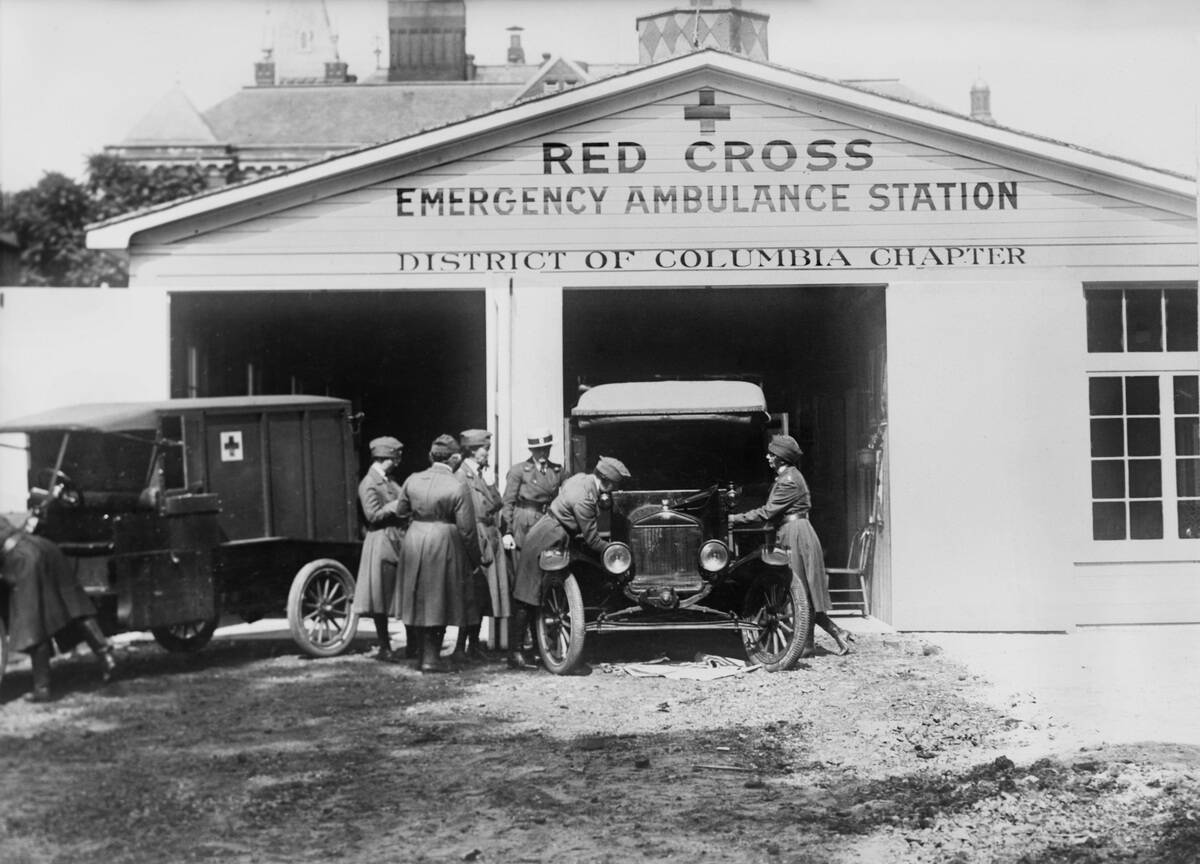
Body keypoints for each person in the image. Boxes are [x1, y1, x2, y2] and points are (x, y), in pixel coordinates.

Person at [727, 434, 853, 656]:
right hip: (793, 531)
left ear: (781, 458)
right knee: (803, 589)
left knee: (799, 590)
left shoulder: (788, 480)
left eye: (771, 454)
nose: (767, 457)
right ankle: (821, 638)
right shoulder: (788, 476)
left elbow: (767, 512)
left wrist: (734, 519)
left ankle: (822, 637)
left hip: (796, 534)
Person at [507, 455, 630, 670]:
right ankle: (515, 654)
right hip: (549, 536)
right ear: (607, 481)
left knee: (532, 593)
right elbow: (592, 539)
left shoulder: (581, 479)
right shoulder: (584, 498)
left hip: (547, 529)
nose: (613, 491)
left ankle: (531, 650)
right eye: (614, 486)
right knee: (528, 594)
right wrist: (616, 554)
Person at [392, 434, 482, 673]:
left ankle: (422, 654)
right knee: (439, 598)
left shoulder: (413, 479)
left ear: (431, 456)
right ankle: (431, 658)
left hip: (415, 537)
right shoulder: (457, 485)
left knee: (420, 597)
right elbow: (467, 529)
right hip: (443, 540)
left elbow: (401, 511)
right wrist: (475, 559)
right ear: (454, 459)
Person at [0, 518, 117, 702]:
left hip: (22, 557)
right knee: (72, 603)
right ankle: (106, 655)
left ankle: (42, 688)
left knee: (33, 621)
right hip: (43, 547)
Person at [453, 429, 508, 663]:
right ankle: (460, 648)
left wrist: (491, 484)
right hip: (474, 537)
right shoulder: (460, 476)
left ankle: (473, 646)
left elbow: (497, 504)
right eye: (485, 450)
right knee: (472, 594)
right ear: (474, 451)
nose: (487, 454)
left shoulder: (482, 474)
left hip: (489, 535)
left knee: (485, 593)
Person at [352, 436, 408, 662]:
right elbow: (372, 515)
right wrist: (395, 506)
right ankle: (385, 647)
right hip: (381, 542)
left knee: (397, 593)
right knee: (381, 598)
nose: (398, 462)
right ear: (387, 458)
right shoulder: (369, 483)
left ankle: (410, 645)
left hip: (395, 540)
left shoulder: (388, 481)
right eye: (396, 458)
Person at [499, 427, 565, 559]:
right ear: (530, 450)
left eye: (545, 448)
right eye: (537, 449)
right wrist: (507, 532)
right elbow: (508, 502)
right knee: (524, 566)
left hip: (548, 521)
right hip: (525, 524)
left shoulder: (557, 470)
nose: (542, 453)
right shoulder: (519, 470)